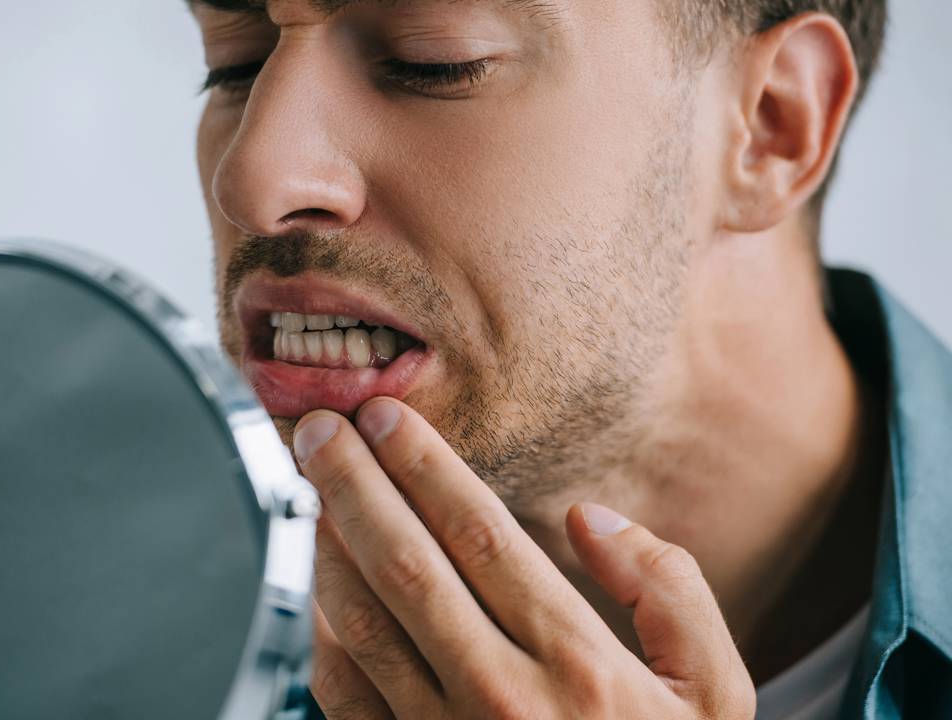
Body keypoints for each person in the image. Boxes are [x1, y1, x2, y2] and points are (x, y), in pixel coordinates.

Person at [187, 1, 949, 717]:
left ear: (772, 125)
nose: (254, 180)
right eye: (237, 64)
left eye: (435, 60)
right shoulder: (111, 641)